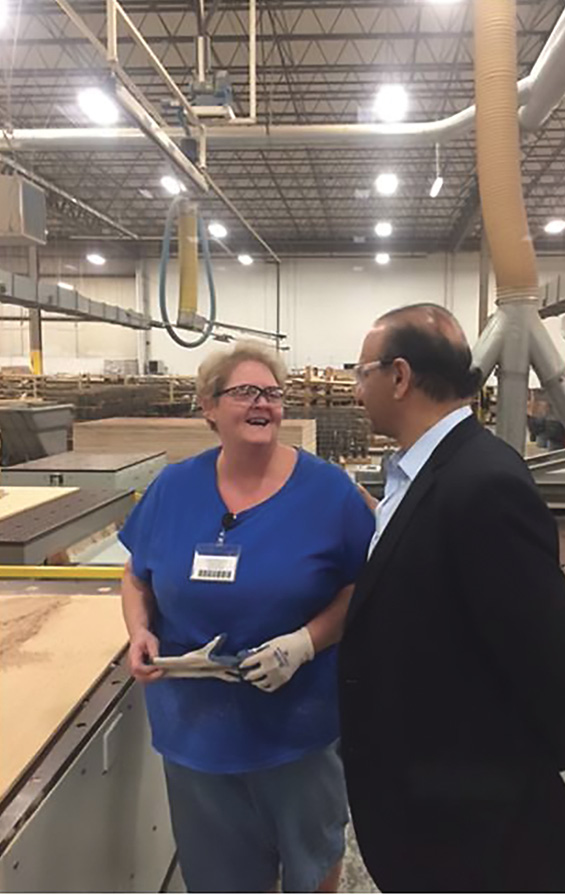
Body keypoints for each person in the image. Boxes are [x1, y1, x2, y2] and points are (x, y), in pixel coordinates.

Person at [338, 304, 565, 893]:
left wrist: (503, 770)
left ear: (400, 377)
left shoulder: (483, 483)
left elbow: (555, 661)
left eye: (362, 373)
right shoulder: (424, 477)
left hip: (467, 820)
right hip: (433, 798)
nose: (357, 390)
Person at [119, 341, 374, 894]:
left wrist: (306, 643)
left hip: (295, 727)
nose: (264, 404)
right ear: (208, 407)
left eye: (273, 394)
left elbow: (365, 587)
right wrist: (139, 630)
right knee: (220, 876)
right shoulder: (172, 488)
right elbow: (136, 574)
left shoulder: (328, 492)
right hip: (195, 729)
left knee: (312, 860)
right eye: (245, 392)